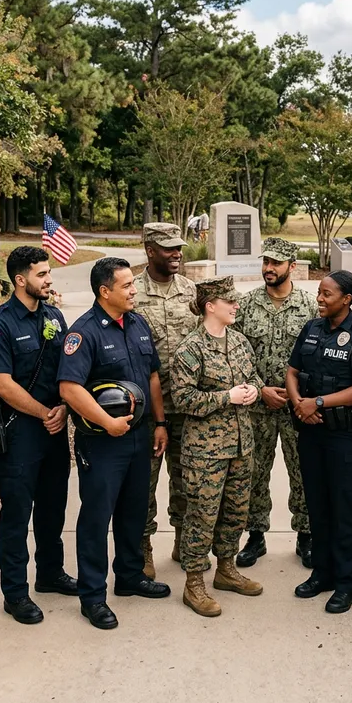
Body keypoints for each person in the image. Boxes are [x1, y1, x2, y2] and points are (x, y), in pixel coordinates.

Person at [58, 258, 171, 630]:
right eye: (126, 286)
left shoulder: (138, 323)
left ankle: (129, 576)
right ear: (105, 291)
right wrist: (107, 422)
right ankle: (92, 596)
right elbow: (70, 388)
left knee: (134, 511)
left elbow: (152, 376)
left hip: (139, 436)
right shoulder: (84, 333)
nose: (134, 290)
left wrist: (160, 423)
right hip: (103, 441)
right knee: (96, 518)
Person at [0, 246, 76, 625]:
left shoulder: (55, 316)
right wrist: (44, 412)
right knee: (17, 515)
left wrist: (65, 408)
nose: (49, 279)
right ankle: (16, 593)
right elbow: (2, 385)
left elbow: (71, 371)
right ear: (20, 280)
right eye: (41, 274)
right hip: (21, 433)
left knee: (53, 508)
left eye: (48, 272)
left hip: (55, 430)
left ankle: (50, 574)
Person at [287, 271, 352, 614]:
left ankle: (346, 584)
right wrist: (300, 403)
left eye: (327, 294)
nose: (320, 298)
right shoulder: (312, 329)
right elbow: (292, 370)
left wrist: (320, 403)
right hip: (311, 432)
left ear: (346, 299)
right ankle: (322, 573)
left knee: (343, 509)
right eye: (319, 292)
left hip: (346, 436)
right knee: (317, 505)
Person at [171, 277, 266, 617]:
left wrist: (255, 390)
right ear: (211, 306)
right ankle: (194, 583)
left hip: (241, 445)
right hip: (205, 451)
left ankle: (226, 569)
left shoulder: (239, 341)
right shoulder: (190, 349)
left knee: (236, 511)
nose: (236, 306)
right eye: (230, 302)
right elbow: (182, 398)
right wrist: (226, 397)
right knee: (202, 515)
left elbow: (252, 376)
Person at [234, 237, 318, 569]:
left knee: (302, 471)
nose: (269, 268)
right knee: (254, 471)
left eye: (276, 263)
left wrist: (303, 396)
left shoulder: (310, 306)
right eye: (265, 262)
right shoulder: (246, 304)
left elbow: (317, 356)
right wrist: (260, 388)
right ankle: (255, 535)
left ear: (291, 266)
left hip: (298, 408)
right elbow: (236, 354)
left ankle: (306, 535)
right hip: (258, 405)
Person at [134, 223, 197, 579]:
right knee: (144, 483)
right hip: (147, 409)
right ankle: (143, 548)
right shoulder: (132, 294)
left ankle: (183, 540)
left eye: (178, 248)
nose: (176, 253)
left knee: (187, 480)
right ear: (149, 250)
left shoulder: (191, 291)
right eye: (168, 248)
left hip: (187, 407)